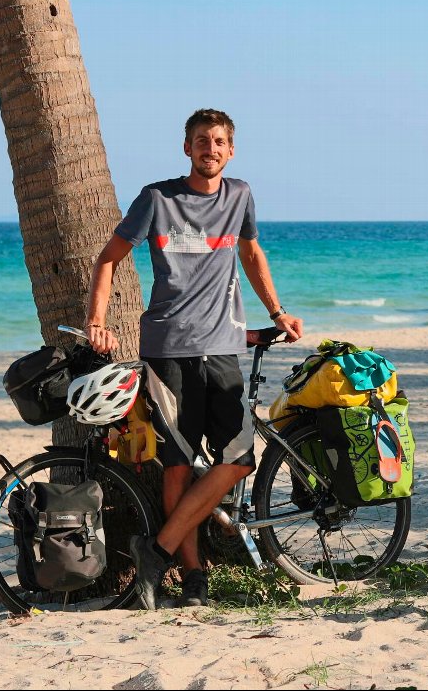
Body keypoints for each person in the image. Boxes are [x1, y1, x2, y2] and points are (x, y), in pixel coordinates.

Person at [84, 108, 304, 609]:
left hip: (224, 345)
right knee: (178, 467)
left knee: (239, 461)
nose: (211, 148)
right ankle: (192, 576)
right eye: (202, 140)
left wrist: (279, 310)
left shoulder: (240, 195)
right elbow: (108, 259)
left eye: (220, 141)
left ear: (231, 150)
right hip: (167, 350)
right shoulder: (157, 199)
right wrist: (97, 321)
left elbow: (251, 254)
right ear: (187, 148)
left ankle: (154, 551)